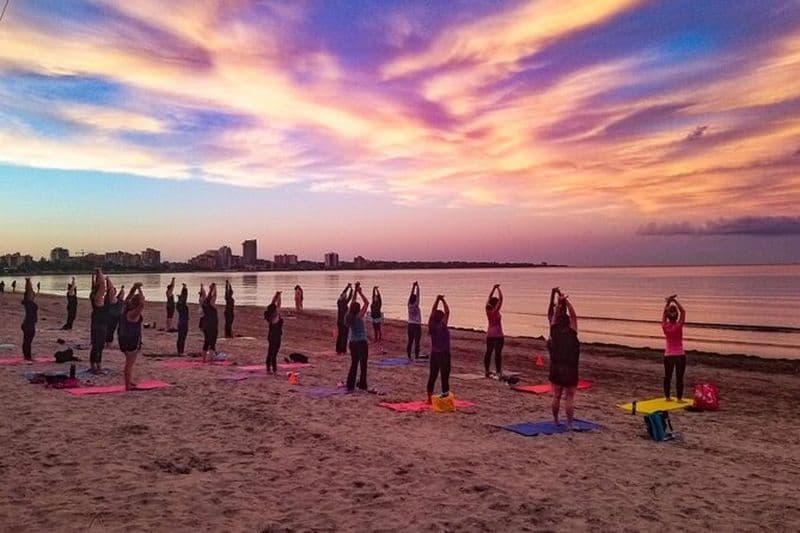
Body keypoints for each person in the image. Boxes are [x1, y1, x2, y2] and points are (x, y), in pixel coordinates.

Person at [547, 288, 580, 429]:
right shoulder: (572, 333)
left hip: (556, 367)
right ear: (568, 323)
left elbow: (553, 319)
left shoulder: (554, 332)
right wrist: (566, 301)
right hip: (570, 368)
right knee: (569, 397)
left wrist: (559, 305)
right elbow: (574, 316)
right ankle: (570, 424)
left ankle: (556, 421)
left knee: (556, 396)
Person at [119, 282, 145, 390]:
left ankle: (129, 381)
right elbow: (142, 303)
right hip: (131, 339)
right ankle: (127, 385)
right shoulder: (134, 313)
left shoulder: (125, 308)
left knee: (129, 362)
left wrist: (134, 288)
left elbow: (129, 296)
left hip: (122, 337)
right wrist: (139, 290)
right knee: (129, 363)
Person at [345, 282, 370, 392]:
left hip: (352, 343)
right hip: (361, 342)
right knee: (363, 365)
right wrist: (360, 292)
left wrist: (355, 290)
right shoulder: (359, 317)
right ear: (358, 309)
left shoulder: (349, 316)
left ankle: (350, 384)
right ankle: (362, 385)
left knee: (354, 363)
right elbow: (367, 302)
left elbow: (353, 303)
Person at [662, 295, 687, 401]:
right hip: (680, 355)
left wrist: (668, 302)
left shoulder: (665, 326)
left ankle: (667, 397)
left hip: (668, 355)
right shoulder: (678, 325)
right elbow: (683, 312)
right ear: (676, 317)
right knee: (679, 378)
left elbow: (664, 313)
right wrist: (675, 301)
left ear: (668, 317)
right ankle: (679, 398)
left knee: (668, 377)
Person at [427, 295, 451, 403]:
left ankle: (429, 398)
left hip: (434, 354)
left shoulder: (431, 325)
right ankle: (445, 397)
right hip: (443, 354)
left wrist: (437, 299)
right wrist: (443, 300)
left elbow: (433, 312)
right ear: (441, 318)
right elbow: (447, 311)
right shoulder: (442, 326)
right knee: (444, 376)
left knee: (433, 375)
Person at [89, 269, 108, 373]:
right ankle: (98, 367)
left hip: (95, 321)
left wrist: (96, 275)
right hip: (100, 323)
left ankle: (93, 366)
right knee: (99, 346)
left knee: (95, 345)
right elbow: (102, 285)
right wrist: (100, 271)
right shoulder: (98, 297)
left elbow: (99, 285)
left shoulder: (93, 294)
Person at [484, 284, 505, 378]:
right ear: (495, 304)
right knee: (497, 354)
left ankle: (487, 370)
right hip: (498, 335)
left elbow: (489, 298)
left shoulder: (487, 310)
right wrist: (498, 289)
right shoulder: (495, 311)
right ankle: (498, 371)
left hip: (490, 334)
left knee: (489, 352)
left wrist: (493, 288)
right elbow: (501, 299)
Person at [264, 291, 283, 374]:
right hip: (275, 337)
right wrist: (279, 297)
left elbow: (273, 304)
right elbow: (278, 306)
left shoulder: (270, 316)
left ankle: (270, 367)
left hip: (273, 336)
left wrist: (276, 295)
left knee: (271, 352)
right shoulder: (274, 317)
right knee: (273, 353)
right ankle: (272, 369)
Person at [20, 278, 38, 362]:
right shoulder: (28, 302)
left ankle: (27, 356)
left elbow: (30, 291)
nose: (33, 295)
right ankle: (28, 357)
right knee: (27, 341)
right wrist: (28, 281)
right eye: (32, 295)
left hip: (29, 324)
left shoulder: (29, 303)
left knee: (27, 341)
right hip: (28, 324)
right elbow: (29, 291)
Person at [201, 283, 219, 362]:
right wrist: (214, 288)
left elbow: (205, 295)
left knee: (206, 341)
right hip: (212, 325)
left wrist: (210, 289)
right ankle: (211, 358)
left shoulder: (204, 303)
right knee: (212, 342)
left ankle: (204, 359)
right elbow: (214, 296)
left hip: (205, 325)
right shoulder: (212, 305)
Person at [335, 283, 353, 354]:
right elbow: (348, 295)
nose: (345, 296)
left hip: (340, 321)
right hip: (343, 322)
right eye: (344, 296)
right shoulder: (342, 302)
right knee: (344, 335)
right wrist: (349, 288)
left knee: (341, 335)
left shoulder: (341, 302)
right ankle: (342, 350)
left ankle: (339, 349)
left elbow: (347, 295)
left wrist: (349, 288)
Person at [104, 281, 122, 348]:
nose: (115, 291)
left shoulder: (108, 298)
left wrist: (122, 290)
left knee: (110, 330)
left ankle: (108, 343)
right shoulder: (110, 299)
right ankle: (109, 344)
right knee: (110, 330)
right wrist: (108, 281)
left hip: (113, 316)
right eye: (114, 290)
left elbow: (120, 296)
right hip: (112, 316)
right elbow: (111, 291)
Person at [407, 281, 422, 360]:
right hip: (416, 325)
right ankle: (416, 356)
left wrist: (413, 287)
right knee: (417, 341)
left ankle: (409, 356)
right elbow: (418, 296)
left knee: (410, 341)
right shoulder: (416, 305)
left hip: (410, 324)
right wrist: (417, 287)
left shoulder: (409, 305)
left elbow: (410, 296)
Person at [176, 283, 189, 355]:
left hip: (181, 323)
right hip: (183, 323)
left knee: (180, 338)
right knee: (182, 338)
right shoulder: (182, 306)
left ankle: (180, 351)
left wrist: (184, 288)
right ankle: (181, 352)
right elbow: (185, 297)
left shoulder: (178, 305)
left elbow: (184, 297)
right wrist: (185, 289)